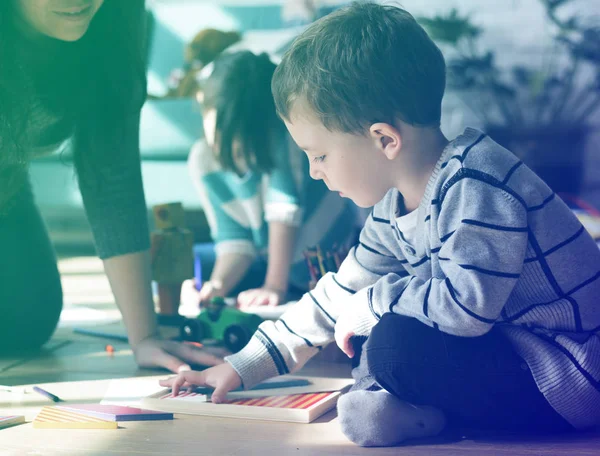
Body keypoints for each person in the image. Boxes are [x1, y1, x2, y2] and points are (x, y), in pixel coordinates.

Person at [160, 1, 600, 446]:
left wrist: (376, 301)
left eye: (320, 155)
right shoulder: (393, 208)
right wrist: (242, 364)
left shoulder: (478, 183)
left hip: (569, 373)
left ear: (384, 139)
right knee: (383, 332)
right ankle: (423, 414)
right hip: (509, 352)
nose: (315, 172)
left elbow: (465, 308)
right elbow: (338, 293)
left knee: (392, 339)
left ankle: (433, 415)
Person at [0, 0, 223, 372]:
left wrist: (144, 337)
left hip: (6, 188)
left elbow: (111, 171)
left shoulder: (119, 14)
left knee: (28, 316)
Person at [185, 50, 356, 308]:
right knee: (196, 273)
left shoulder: (284, 140)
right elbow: (234, 240)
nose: (234, 140)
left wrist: (274, 285)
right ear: (203, 105)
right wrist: (216, 287)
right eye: (223, 126)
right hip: (270, 262)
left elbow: (284, 210)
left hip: (329, 263)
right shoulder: (203, 159)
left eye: (243, 129)